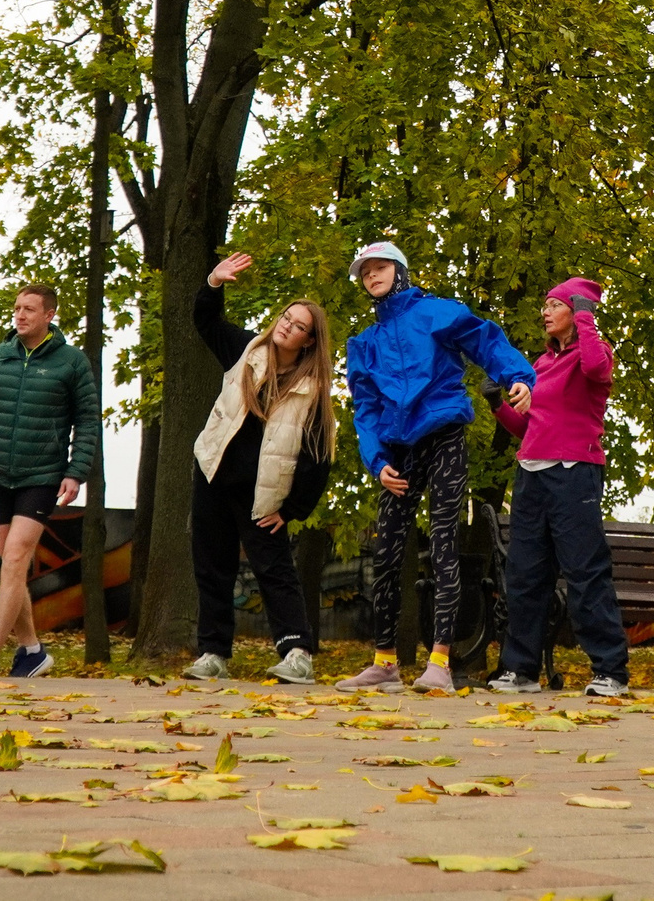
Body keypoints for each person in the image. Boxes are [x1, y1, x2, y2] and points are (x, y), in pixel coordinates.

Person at [340, 239, 536, 693]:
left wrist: (520, 378)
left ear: (400, 270)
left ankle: (440, 664)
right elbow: (365, 409)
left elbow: (485, 340)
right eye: (365, 272)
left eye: (380, 267)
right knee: (387, 554)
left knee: (445, 544)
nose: (372, 276)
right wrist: (377, 462)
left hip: (445, 436)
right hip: (398, 454)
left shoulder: (435, 312)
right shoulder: (363, 344)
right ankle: (385, 662)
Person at [183, 253, 331, 686]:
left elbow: (318, 456)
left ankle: (297, 652)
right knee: (212, 567)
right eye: (286, 317)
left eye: (299, 324)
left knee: (274, 570)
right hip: (213, 476)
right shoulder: (246, 351)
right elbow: (206, 322)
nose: (287, 325)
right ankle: (212, 654)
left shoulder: (312, 390)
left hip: (263, 495)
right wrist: (213, 282)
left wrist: (294, 509)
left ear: (308, 341)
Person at [486, 277, 631, 699]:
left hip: (574, 471)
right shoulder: (540, 365)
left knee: (585, 571)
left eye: (554, 305)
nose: (544, 312)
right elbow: (527, 430)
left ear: (576, 310)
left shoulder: (596, 353)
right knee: (525, 573)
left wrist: (587, 317)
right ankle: (521, 670)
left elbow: (595, 369)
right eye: (544, 305)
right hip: (531, 473)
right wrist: (498, 405)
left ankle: (611, 672)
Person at [0, 282, 103, 679]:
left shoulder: (71, 363)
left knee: (16, 557)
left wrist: (76, 473)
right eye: (17, 308)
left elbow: (88, 421)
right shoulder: (0, 357)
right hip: (2, 472)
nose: (20, 315)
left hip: (43, 475)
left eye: (29, 309)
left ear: (48, 316)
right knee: (8, 563)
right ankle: (31, 650)